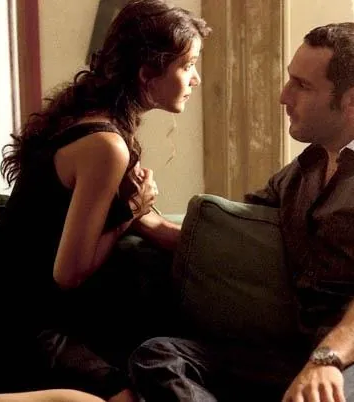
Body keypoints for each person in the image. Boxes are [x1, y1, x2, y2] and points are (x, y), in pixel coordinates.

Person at [0, 1, 212, 402]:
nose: (196, 79)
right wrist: (131, 211)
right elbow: (67, 274)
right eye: (187, 66)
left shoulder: (99, 122)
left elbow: (152, 225)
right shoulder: (105, 146)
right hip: (11, 322)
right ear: (146, 73)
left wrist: (230, 250)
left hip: (26, 312)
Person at [128, 22, 354, 402]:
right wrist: (142, 218)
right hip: (296, 355)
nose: (283, 96)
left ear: (350, 101)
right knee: (159, 357)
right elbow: (225, 240)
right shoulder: (302, 171)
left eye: (302, 86)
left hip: (342, 358)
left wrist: (326, 359)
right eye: (289, 79)